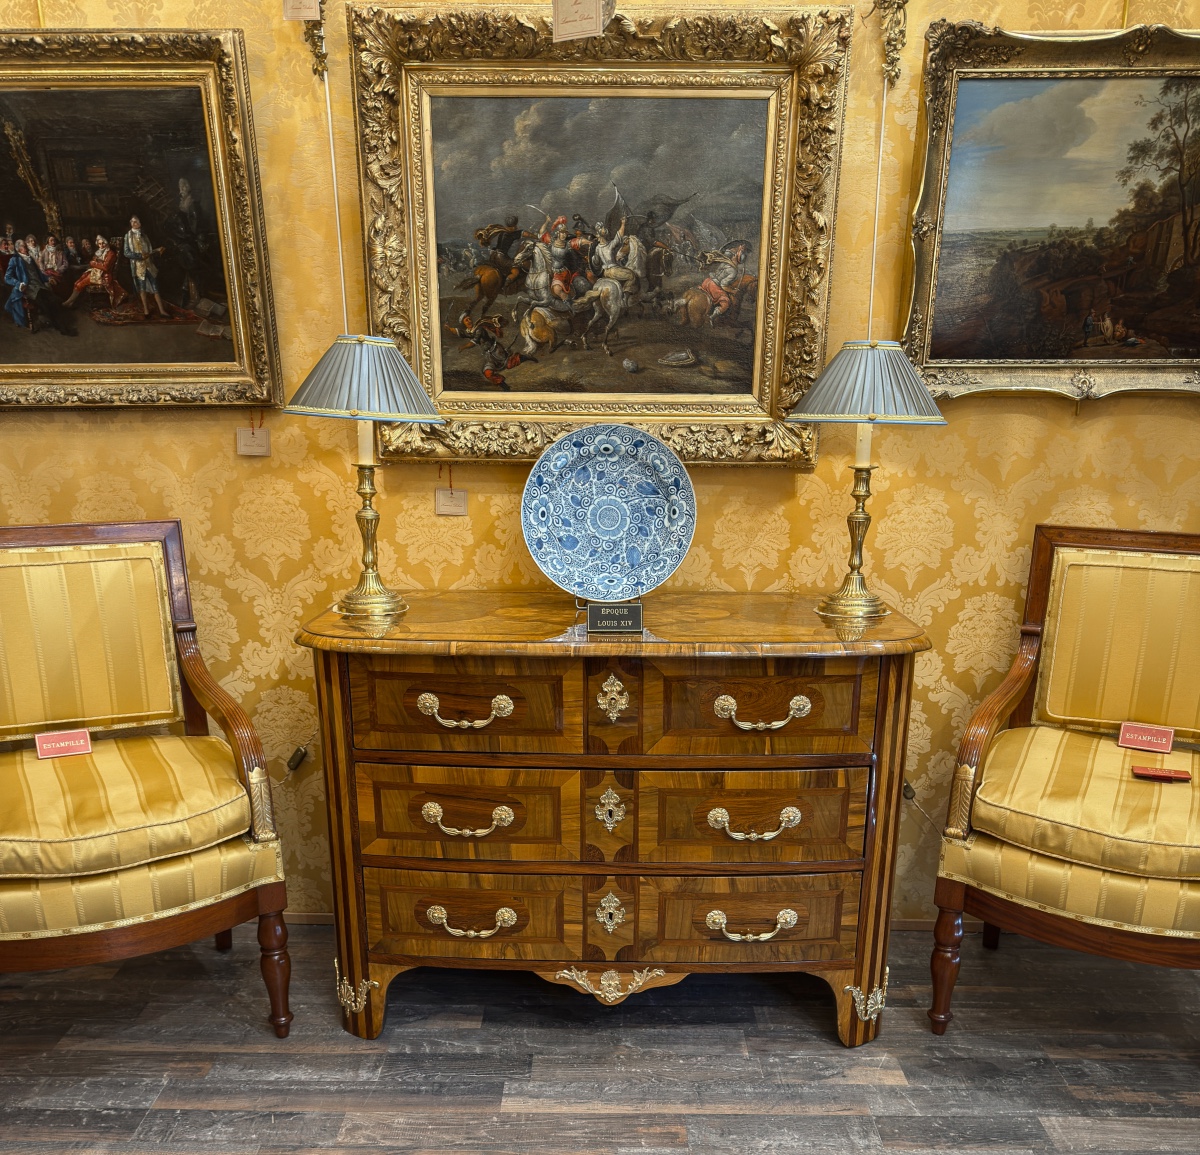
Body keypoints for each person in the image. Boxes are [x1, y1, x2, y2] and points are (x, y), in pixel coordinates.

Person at [443, 310, 535, 387]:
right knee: (487, 372)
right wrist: (449, 328)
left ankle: (527, 357)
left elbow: (474, 341)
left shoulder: (479, 329)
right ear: (464, 323)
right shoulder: (470, 331)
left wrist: (464, 347)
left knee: (509, 364)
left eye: (469, 318)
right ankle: (505, 386)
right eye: (466, 320)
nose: (469, 321)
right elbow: (461, 333)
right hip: (489, 355)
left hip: (496, 350)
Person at [5, 239, 72, 334]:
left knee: (54, 300)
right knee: (46, 302)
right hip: (28, 288)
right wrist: (18, 284)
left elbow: (40, 274)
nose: (26, 248)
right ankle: (61, 328)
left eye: (26, 246)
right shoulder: (14, 260)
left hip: (39, 285)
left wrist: (48, 278)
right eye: (24, 246)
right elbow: (7, 277)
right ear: (18, 249)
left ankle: (60, 325)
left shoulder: (30, 258)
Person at [64, 234, 127, 308]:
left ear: (106, 243)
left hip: (104, 276)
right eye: (100, 244)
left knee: (80, 284)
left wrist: (94, 263)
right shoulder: (99, 252)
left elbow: (105, 267)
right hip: (96, 272)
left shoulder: (111, 253)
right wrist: (95, 263)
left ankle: (68, 302)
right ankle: (71, 302)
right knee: (77, 282)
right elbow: (93, 260)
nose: (102, 245)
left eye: (103, 243)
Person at [123, 215, 167, 317]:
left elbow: (149, 252)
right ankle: (146, 311)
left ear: (140, 223)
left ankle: (162, 311)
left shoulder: (145, 236)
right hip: (138, 267)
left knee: (156, 288)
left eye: (136, 221)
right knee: (142, 289)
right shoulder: (128, 236)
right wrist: (139, 256)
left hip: (149, 265)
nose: (134, 223)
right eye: (133, 222)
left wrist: (157, 250)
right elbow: (126, 253)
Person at [700, 240, 750, 324]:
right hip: (714, 286)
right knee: (726, 302)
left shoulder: (726, 260)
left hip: (707, 281)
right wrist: (733, 291)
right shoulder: (733, 271)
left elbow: (728, 252)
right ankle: (712, 317)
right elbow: (723, 285)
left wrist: (740, 249)